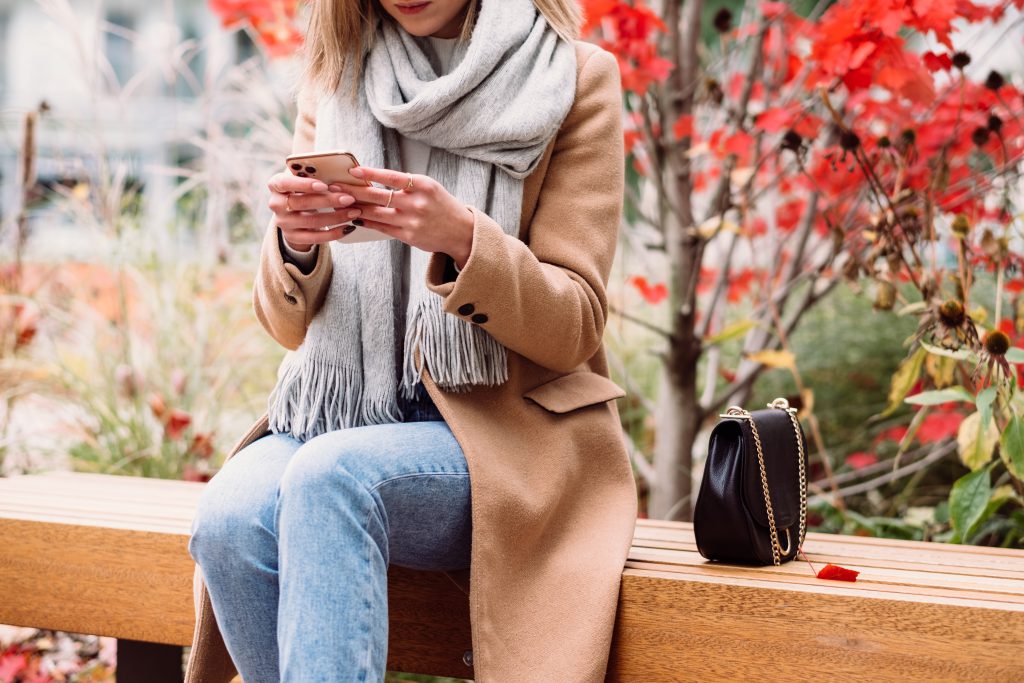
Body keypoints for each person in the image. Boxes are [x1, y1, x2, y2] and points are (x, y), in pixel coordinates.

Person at [185, 1, 638, 682]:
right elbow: (285, 326)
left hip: (506, 433)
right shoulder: (337, 74)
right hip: (343, 414)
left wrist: (464, 241)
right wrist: (295, 243)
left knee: (332, 477)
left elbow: (574, 324)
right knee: (228, 516)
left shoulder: (574, 80)